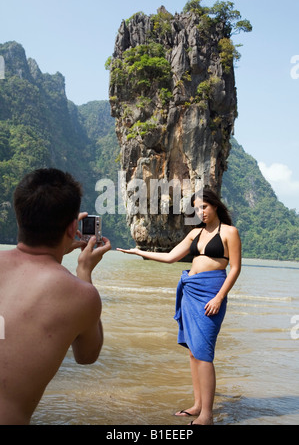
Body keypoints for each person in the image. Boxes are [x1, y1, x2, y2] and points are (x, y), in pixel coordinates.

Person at [117, 188, 241, 425]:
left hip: (211, 293)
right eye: (196, 208)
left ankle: (207, 415)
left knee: (204, 353)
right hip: (190, 292)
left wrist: (219, 297)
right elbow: (171, 257)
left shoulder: (229, 232)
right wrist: (138, 252)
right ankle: (197, 405)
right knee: (194, 352)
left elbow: (234, 268)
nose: (200, 212)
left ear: (214, 205)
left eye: (204, 206)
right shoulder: (195, 234)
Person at [0, 168, 111, 425]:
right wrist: (84, 271)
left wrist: (62, 242)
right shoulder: (81, 295)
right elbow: (87, 356)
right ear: (74, 227)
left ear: (19, 218)